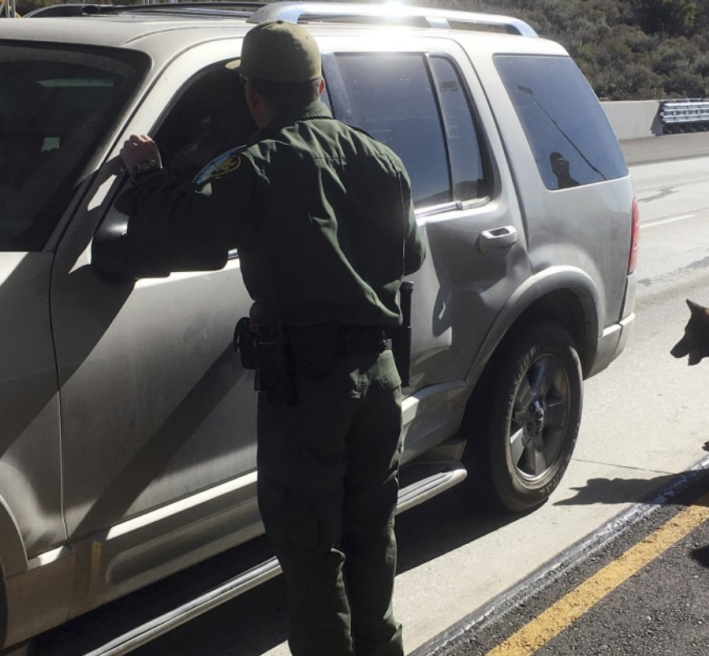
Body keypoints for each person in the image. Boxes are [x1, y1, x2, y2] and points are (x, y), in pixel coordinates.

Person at [117, 21, 425, 656]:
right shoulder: (380, 157)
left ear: (254, 96)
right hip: (379, 377)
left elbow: (186, 228)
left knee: (311, 546)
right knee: (373, 532)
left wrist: (146, 174)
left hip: (310, 388)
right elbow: (411, 252)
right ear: (316, 85)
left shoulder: (255, 165)